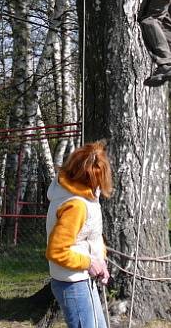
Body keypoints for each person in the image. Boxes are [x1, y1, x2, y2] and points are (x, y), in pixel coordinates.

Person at [46, 141, 112, 328]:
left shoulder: (86, 197)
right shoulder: (75, 205)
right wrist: (90, 263)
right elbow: (57, 251)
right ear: (89, 177)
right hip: (73, 284)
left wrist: (101, 262)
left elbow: (90, 237)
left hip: (83, 277)